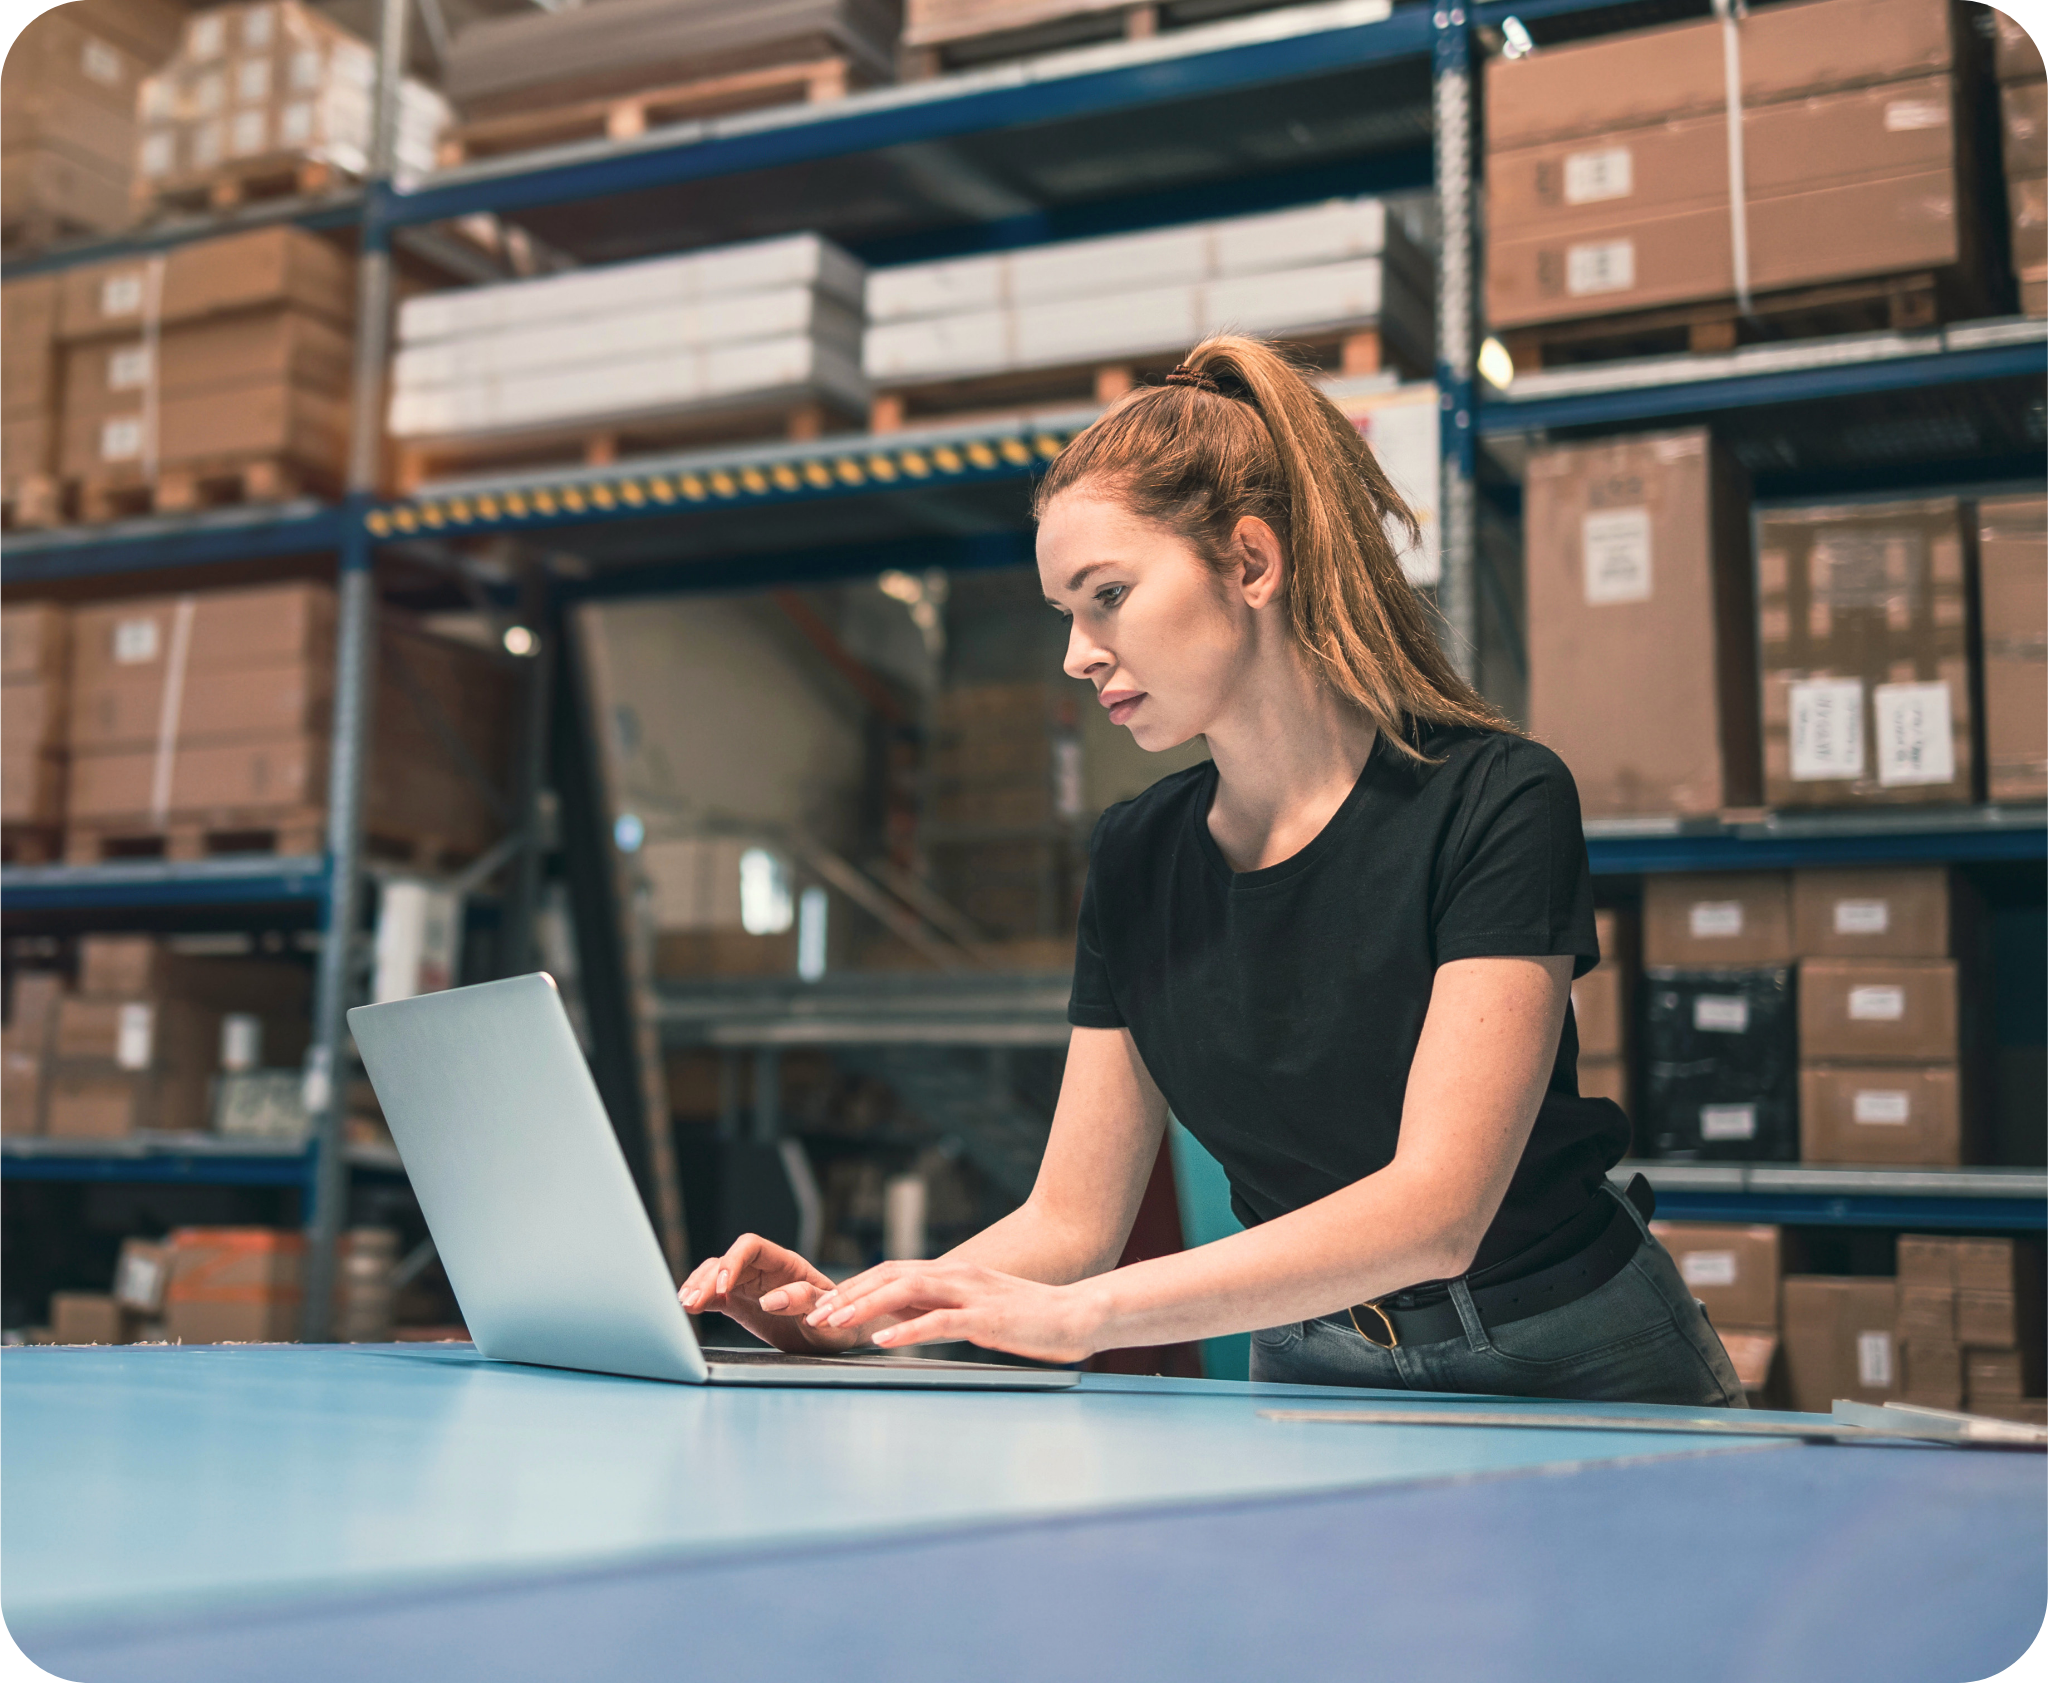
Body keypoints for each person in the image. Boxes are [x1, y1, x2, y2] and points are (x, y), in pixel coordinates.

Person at [680, 334, 1745, 1406]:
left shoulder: (1495, 801)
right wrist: (852, 1318)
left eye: (1106, 595)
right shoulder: (1136, 856)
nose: (1077, 653)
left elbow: (1438, 1211)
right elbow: (1069, 1222)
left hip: (1569, 1353)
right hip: (1310, 1363)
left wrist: (1084, 1316)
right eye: (1065, 613)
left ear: (1248, 562)